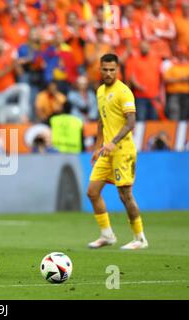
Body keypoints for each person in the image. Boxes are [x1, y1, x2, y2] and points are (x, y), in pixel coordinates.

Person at [87, 53, 148, 250]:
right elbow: (101, 122)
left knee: (125, 195)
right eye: (105, 69)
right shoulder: (100, 92)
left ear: (117, 70)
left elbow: (131, 122)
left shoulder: (124, 92)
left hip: (122, 150)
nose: (108, 73)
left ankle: (140, 238)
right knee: (92, 192)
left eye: (112, 69)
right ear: (100, 69)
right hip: (106, 150)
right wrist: (98, 147)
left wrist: (112, 142)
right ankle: (107, 235)